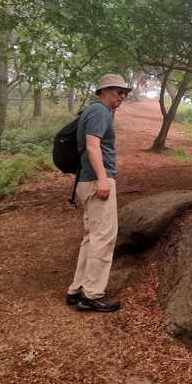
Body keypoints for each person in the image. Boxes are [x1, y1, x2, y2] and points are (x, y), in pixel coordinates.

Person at [65, 74, 131, 312]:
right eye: (118, 91)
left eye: (126, 92)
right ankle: (92, 295)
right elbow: (92, 146)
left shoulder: (94, 111)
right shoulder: (100, 112)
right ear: (104, 91)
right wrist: (103, 179)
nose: (122, 96)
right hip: (96, 181)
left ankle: (78, 289)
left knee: (92, 237)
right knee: (104, 237)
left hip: (87, 180)